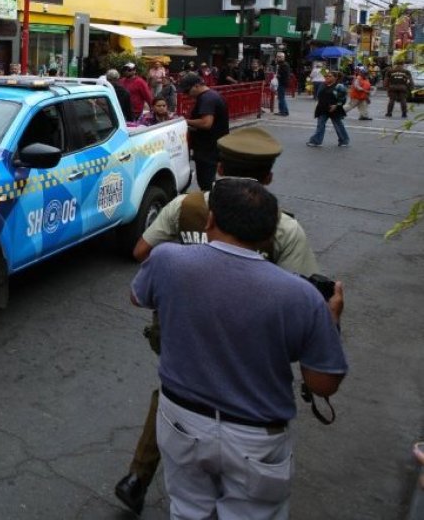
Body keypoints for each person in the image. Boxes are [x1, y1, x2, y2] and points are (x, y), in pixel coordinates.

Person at [115, 127, 322, 514]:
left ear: (221, 167)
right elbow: (299, 296)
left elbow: (143, 249)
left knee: (177, 392)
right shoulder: (282, 226)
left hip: (181, 327)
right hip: (253, 351)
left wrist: (183, 259)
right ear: (269, 177)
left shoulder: (187, 206)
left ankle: (138, 475)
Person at [179, 73, 228, 191]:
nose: (187, 94)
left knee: (206, 183)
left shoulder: (207, 99)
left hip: (208, 149)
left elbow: (206, 123)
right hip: (211, 147)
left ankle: (211, 206)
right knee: (208, 181)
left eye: (187, 91)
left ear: (196, 86)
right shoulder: (211, 95)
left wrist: (185, 121)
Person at [308, 71, 350, 148]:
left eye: (330, 76)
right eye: (326, 76)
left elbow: (343, 98)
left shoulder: (339, 86)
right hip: (322, 108)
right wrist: (318, 104)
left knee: (338, 125)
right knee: (320, 125)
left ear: (335, 78)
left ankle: (344, 140)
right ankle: (316, 141)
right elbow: (319, 96)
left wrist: (336, 105)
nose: (327, 77)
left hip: (334, 109)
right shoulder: (322, 85)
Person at [273, 52, 292, 116]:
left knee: (281, 98)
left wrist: (278, 75)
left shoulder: (284, 65)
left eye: (279, 57)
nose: (278, 58)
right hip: (282, 83)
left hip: (282, 83)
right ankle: (285, 111)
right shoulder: (281, 64)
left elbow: (284, 75)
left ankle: (282, 111)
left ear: (283, 57)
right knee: (281, 97)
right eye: (277, 57)